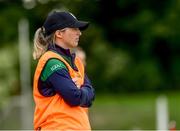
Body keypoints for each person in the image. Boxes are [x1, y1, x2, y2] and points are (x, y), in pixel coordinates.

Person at [32, 11, 95, 130]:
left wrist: (82, 91)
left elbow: (91, 95)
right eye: (74, 29)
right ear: (59, 33)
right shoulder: (52, 61)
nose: (79, 33)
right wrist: (83, 91)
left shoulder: (76, 62)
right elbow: (74, 97)